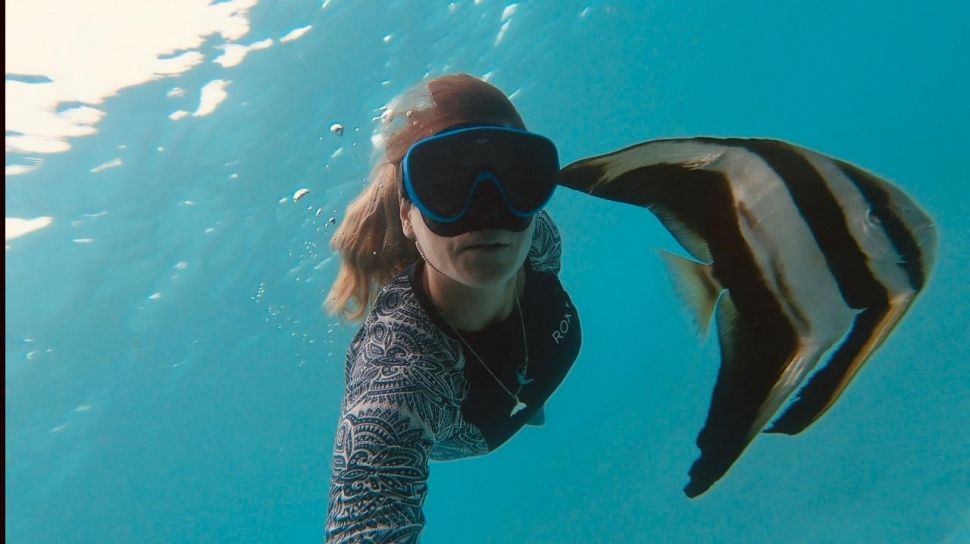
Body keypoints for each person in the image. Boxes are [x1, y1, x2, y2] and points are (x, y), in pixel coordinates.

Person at [324, 73, 582, 543]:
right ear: (406, 213)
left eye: (514, 177)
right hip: (464, 426)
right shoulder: (396, 385)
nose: (488, 213)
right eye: (445, 183)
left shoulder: (537, 237)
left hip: (524, 382)